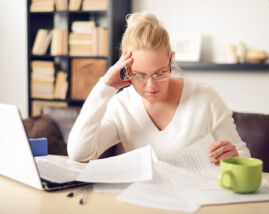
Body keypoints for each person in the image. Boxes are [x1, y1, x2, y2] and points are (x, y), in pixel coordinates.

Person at [67, 11, 250, 165]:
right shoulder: (122, 105)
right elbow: (79, 155)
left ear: (171, 60)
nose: (151, 85)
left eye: (160, 73)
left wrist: (233, 156)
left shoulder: (205, 97)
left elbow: (243, 154)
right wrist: (105, 86)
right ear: (126, 69)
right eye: (139, 75)